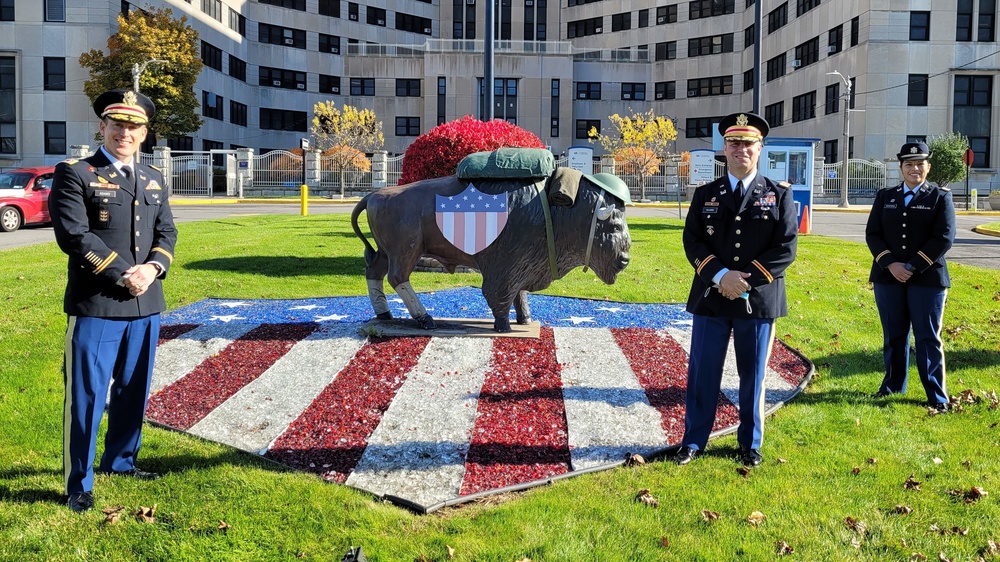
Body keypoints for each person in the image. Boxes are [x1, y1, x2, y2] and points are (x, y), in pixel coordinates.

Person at [49, 89, 177, 512]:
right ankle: (77, 483)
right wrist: (125, 271)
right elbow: (74, 235)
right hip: (97, 304)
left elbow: (166, 234)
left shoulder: (155, 178)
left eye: (134, 126)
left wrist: (153, 269)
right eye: (117, 124)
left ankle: (121, 461)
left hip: (145, 306)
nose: (125, 132)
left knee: (133, 391)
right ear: (102, 127)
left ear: (144, 133)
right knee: (85, 396)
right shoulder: (76, 173)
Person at [673, 112, 798, 467]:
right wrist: (720, 276)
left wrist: (743, 280)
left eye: (748, 143)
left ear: (760, 149)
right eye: (734, 142)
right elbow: (692, 241)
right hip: (712, 298)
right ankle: (694, 441)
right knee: (702, 373)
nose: (740, 148)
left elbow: (785, 248)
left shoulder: (778, 195)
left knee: (754, 375)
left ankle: (750, 444)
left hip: (757, 301)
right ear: (724, 148)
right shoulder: (705, 194)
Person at [865, 142, 955, 412]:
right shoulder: (885, 196)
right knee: (894, 335)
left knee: (927, 337)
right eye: (908, 164)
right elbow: (873, 234)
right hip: (888, 277)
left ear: (928, 167)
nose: (914, 169)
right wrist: (891, 264)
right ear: (901, 167)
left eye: (919, 164)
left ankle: (937, 396)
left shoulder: (940, 197)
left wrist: (912, 266)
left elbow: (944, 237)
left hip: (927, 279)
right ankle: (892, 386)